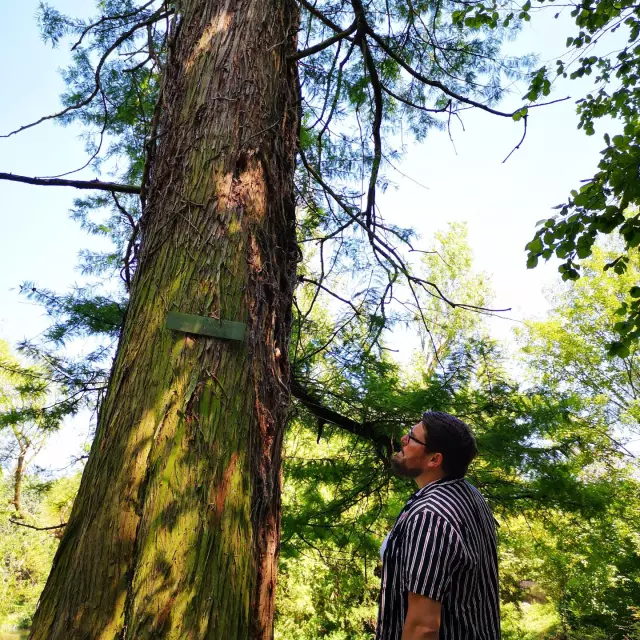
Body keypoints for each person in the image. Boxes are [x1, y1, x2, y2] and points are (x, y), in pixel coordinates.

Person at [376, 411, 500, 640]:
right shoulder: (470, 494)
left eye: (412, 437)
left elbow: (423, 629)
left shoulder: (430, 516)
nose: (403, 439)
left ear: (435, 459)